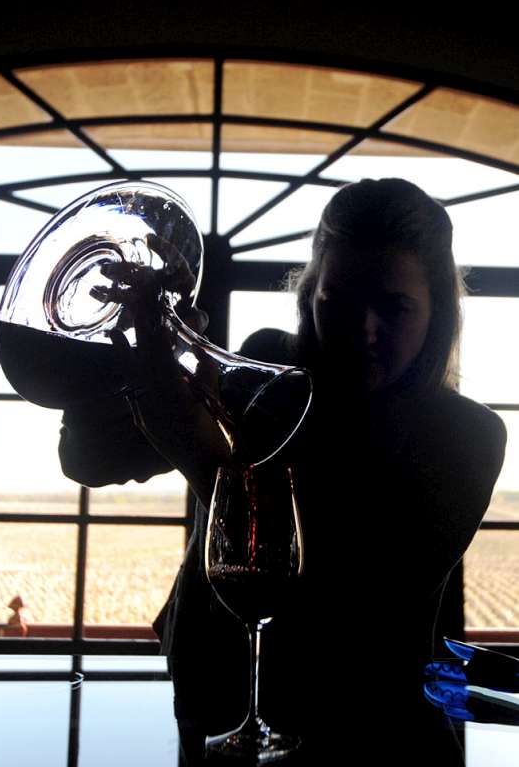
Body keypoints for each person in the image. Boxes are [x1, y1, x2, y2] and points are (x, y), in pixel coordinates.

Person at [59, 178, 506, 764]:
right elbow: (90, 459)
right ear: (311, 290)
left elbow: (349, 606)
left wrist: (197, 455)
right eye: (338, 300)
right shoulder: (262, 368)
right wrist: (126, 356)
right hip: (213, 719)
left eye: (393, 307)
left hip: (373, 740)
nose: (361, 329)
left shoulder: (466, 435)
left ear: (437, 311)